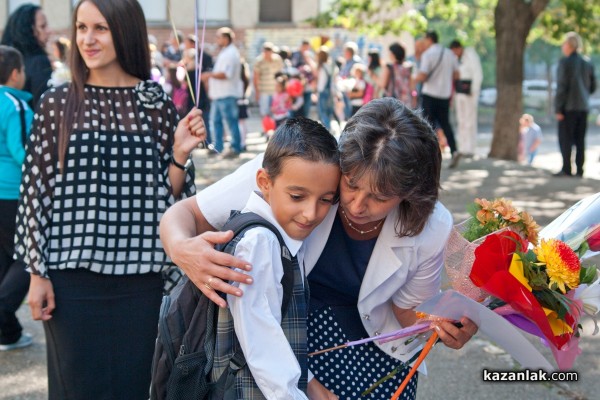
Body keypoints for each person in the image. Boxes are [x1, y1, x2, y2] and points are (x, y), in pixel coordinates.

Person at [159, 97, 478, 399]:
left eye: (380, 197)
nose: (357, 205)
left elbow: (407, 310)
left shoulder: (431, 225)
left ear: (410, 195)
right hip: (294, 331)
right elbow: (185, 213)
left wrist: (440, 326)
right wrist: (182, 250)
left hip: (380, 349)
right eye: (350, 184)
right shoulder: (295, 171)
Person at [14, 1, 206, 398]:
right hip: (72, 279)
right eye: (81, 27)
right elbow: (35, 192)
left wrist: (180, 154)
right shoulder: (57, 102)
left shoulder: (154, 102)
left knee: (138, 385)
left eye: (100, 28)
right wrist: (36, 273)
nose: (87, 39)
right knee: (77, 388)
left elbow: (170, 200)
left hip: (143, 279)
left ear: (125, 30)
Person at [210, 118, 340, 399]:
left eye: (326, 200)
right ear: (264, 182)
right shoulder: (260, 242)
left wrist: (312, 384)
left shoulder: (275, 236)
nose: (310, 213)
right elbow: (262, 343)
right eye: (297, 196)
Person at [0, 45, 34, 352]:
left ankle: (7, 333)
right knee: (27, 256)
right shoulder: (16, 105)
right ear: (15, 73)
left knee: (3, 259)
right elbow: (25, 153)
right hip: (12, 193)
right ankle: (2, 316)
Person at [554, 31, 596, 178]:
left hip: (568, 108)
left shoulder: (565, 62)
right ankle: (580, 170)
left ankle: (566, 168)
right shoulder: (587, 62)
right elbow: (592, 87)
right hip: (583, 107)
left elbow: (562, 87)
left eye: (564, 43)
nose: (562, 46)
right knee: (580, 140)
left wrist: (558, 108)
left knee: (566, 139)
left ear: (570, 45)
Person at [415, 31, 460, 168]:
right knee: (445, 124)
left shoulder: (428, 54)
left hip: (430, 94)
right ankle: (454, 150)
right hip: (445, 95)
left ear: (429, 39)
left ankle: (426, 155)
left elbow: (422, 76)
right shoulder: (449, 54)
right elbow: (457, 74)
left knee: (427, 125)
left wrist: (414, 78)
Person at [201, 27, 243, 158]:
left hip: (227, 94)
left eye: (218, 37)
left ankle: (235, 147)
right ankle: (218, 146)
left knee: (231, 122)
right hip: (219, 94)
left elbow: (226, 74)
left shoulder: (231, 53)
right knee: (216, 121)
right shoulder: (225, 52)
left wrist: (209, 75)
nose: (216, 40)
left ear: (226, 38)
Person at [1, 3, 52, 107]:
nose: (49, 31)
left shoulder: (5, 60)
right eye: (43, 26)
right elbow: (45, 105)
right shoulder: (39, 62)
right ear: (29, 30)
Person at [450, 40, 482, 159]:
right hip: (459, 92)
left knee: (469, 121)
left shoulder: (471, 55)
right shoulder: (455, 60)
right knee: (461, 120)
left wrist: (474, 90)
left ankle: (470, 148)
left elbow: (477, 73)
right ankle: (463, 147)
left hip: (469, 92)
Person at [253, 42, 284, 128]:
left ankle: (275, 129)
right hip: (264, 91)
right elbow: (256, 77)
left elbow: (281, 74)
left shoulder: (277, 59)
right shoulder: (259, 61)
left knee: (276, 111)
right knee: (264, 112)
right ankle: (266, 129)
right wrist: (257, 92)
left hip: (275, 90)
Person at [380, 42, 413, 107]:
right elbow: (412, 87)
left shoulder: (389, 67)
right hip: (406, 101)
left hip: (393, 101)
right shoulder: (409, 67)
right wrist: (414, 97)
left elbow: (382, 84)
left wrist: (372, 75)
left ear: (393, 54)